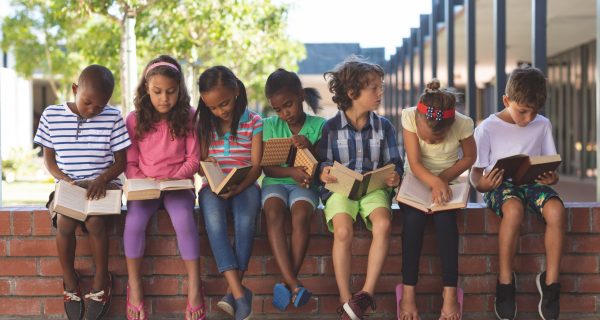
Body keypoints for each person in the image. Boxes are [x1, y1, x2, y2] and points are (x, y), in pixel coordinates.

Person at [34, 64, 130, 320]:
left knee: (96, 221)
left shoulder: (112, 117)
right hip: (69, 187)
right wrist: (65, 180)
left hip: (104, 185)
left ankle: (101, 282)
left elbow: (121, 162)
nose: (92, 111)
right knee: (64, 222)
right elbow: (50, 161)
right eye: (88, 103)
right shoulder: (51, 115)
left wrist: (102, 179)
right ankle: (70, 281)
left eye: (99, 106)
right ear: (75, 89)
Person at [470, 66, 565, 320]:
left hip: (531, 184)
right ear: (506, 100)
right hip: (499, 187)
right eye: (523, 111)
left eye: (534, 112)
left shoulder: (542, 124)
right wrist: (484, 185)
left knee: (556, 209)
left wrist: (551, 177)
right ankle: (505, 283)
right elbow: (475, 176)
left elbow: (548, 163)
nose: (528, 118)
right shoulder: (487, 128)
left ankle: (551, 284)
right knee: (513, 210)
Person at [317, 56, 403, 320]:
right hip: (340, 190)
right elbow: (321, 163)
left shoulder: (384, 126)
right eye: (374, 88)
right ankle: (346, 302)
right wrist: (324, 172)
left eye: (380, 87)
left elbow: (395, 164)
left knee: (384, 225)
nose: (380, 92)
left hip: (374, 189)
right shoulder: (330, 127)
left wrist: (394, 177)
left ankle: (365, 294)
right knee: (342, 230)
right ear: (353, 93)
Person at [124, 55, 204, 320]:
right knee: (133, 223)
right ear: (146, 89)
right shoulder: (135, 119)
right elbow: (131, 161)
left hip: (177, 186)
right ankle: (134, 286)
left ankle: (194, 287)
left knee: (184, 221)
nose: (164, 98)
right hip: (145, 187)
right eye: (157, 92)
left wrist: (172, 180)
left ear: (180, 90)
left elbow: (193, 158)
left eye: (171, 92)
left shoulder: (190, 116)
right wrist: (146, 181)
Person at [397, 79, 476, 320]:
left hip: (446, 184)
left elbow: (470, 157)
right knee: (412, 222)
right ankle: (408, 293)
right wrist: (434, 183)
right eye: (428, 138)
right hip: (416, 182)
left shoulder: (463, 123)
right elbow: (415, 162)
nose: (431, 142)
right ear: (418, 122)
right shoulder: (410, 116)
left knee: (445, 223)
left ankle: (450, 293)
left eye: (437, 140)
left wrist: (442, 180)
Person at [195, 66, 262, 320]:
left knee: (246, 223)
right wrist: (209, 169)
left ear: (236, 91)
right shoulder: (204, 124)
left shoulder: (254, 121)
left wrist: (240, 186)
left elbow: (257, 166)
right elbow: (200, 162)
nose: (220, 110)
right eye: (213, 107)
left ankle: (233, 294)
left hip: (245, 185)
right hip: (213, 187)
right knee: (214, 224)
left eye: (223, 103)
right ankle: (239, 294)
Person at [261, 68, 326, 311]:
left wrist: (310, 147)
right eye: (278, 109)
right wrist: (290, 172)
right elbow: (267, 169)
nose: (284, 113)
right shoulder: (269, 126)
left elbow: (324, 164)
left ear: (300, 96)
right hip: (276, 182)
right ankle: (294, 284)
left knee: (301, 216)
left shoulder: (320, 126)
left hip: (305, 186)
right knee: (273, 213)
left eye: (288, 105)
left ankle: (289, 284)